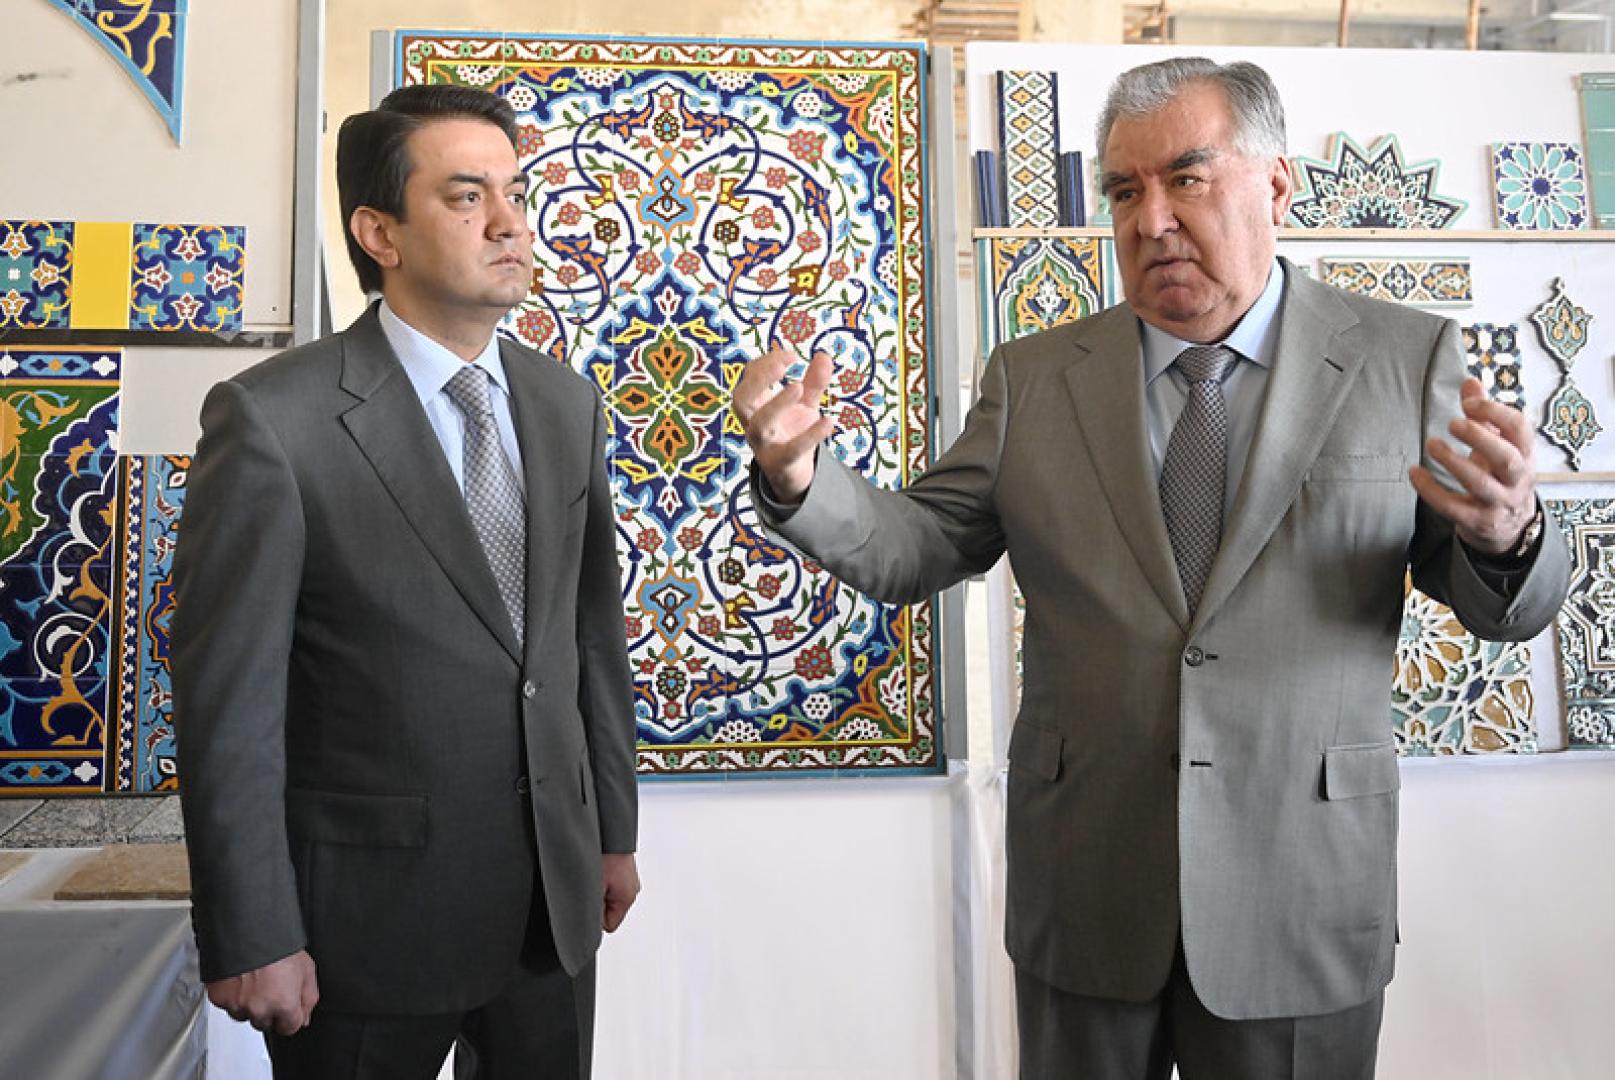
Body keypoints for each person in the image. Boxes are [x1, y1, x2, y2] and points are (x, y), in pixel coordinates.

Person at [733, 58, 1569, 1079]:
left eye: (1186, 178)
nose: (1152, 219)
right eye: (1124, 191)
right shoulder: (1035, 377)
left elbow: (1501, 605)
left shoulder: (1404, 359)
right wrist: (800, 478)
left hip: (1300, 888)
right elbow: (916, 545)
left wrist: (1508, 533)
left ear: (1274, 185)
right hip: (1087, 885)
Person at [173, 84, 640, 1079]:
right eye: (467, 197)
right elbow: (228, 701)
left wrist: (611, 832)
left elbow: (588, 637)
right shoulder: (273, 421)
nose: (509, 223)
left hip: (549, 915)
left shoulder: (565, 404)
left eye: (515, 194)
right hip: (363, 927)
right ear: (378, 231)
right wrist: (251, 926)